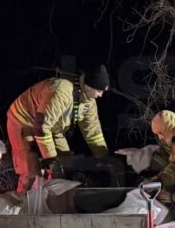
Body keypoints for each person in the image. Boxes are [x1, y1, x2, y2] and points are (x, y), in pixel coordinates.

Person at [6, 65, 109, 193]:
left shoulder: (89, 102)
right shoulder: (61, 91)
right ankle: (24, 203)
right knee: (32, 169)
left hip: (52, 128)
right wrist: (51, 160)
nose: (101, 95)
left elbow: (93, 133)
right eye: (99, 91)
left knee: (65, 163)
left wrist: (104, 158)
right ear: (88, 86)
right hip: (24, 122)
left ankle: (53, 202)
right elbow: (41, 128)